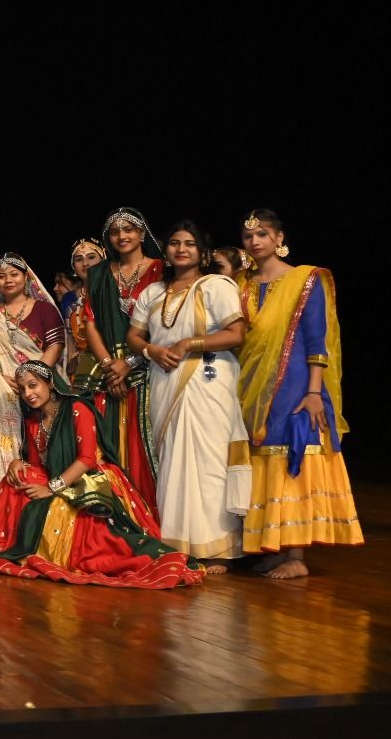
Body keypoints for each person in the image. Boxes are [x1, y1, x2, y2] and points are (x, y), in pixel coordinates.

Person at [0, 361, 202, 589]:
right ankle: (3, 542)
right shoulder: (34, 420)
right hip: (58, 475)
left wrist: (52, 488)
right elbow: (36, 464)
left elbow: (87, 459)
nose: (28, 394)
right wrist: (16, 462)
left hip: (91, 478)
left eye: (33, 385)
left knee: (74, 525)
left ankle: (46, 547)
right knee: (17, 480)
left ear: (50, 383)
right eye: (23, 389)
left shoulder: (77, 408)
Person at [236, 208, 362, 578]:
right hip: (249, 383)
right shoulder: (240, 283)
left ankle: (296, 556)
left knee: (292, 451)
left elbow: (315, 338)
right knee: (260, 455)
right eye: (248, 236)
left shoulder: (306, 279)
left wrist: (313, 392)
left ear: (279, 238)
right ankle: (275, 546)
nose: (255, 241)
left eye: (262, 234)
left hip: (295, 382)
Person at [126, 220, 247, 568]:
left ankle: (220, 548)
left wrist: (188, 344)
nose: (181, 249)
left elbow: (235, 334)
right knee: (172, 463)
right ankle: (178, 544)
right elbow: (134, 336)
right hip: (164, 378)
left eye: (190, 244)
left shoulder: (216, 286)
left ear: (203, 252)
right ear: (165, 251)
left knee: (209, 462)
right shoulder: (153, 292)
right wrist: (151, 350)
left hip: (207, 379)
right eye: (175, 243)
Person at [82, 207, 166, 513]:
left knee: (149, 446)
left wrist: (129, 363)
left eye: (129, 229)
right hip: (107, 373)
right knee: (108, 444)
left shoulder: (161, 269)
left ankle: (155, 516)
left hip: (152, 368)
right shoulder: (98, 274)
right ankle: (120, 516)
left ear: (142, 234)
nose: (122, 236)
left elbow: (167, 322)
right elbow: (90, 323)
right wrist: (110, 367)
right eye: (115, 231)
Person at [0, 254, 68, 488]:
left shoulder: (44, 309)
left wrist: (33, 379)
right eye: (1, 276)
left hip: (40, 385)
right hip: (2, 387)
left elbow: (55, 345)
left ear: (26, 277)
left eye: (14, 274)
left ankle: (50, 481)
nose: (8, 280)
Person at [66, 236, 107, 388]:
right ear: (73, 266)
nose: (85, 263)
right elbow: (70, 347)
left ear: (103, 259)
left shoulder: (114, 294)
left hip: (112, 365)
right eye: (79, 259)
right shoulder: (71, 305)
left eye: (91, 257)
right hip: (82, 373)